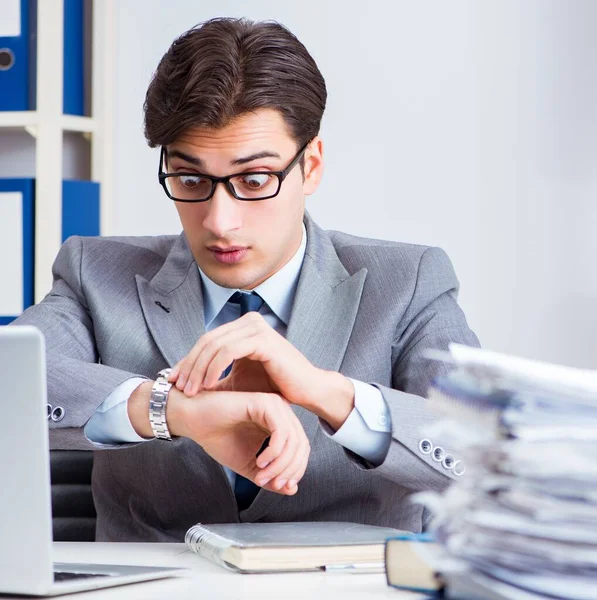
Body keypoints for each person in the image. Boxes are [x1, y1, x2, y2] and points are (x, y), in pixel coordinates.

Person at [13, 17, 479, 542]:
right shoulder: (95, 272)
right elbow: (13, 381)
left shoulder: (409, 282)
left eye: (254, 180)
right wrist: (175, 411)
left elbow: (486, 455)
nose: (219, 221)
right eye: (190, 179)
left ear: (312, 166)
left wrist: (332, 396)